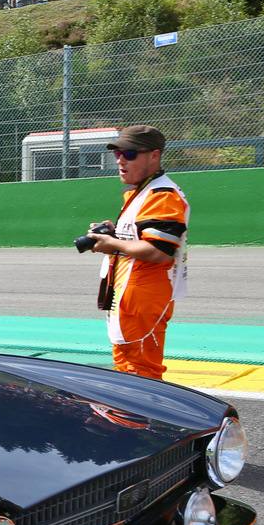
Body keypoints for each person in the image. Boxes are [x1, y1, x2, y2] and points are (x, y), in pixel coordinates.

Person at [87, 125, 188, 380]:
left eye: (130, 154)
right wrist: (115, 233)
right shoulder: (141, 191)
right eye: (118, 153)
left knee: (142, 376)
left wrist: (114, 245)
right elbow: (140, 237)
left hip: (143, 300)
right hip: (128, 298)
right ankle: (126, 419)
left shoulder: (161, 194)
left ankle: (141, 420)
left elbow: (159, 251)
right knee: (126, 370)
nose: (121, 160)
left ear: (154, 156)